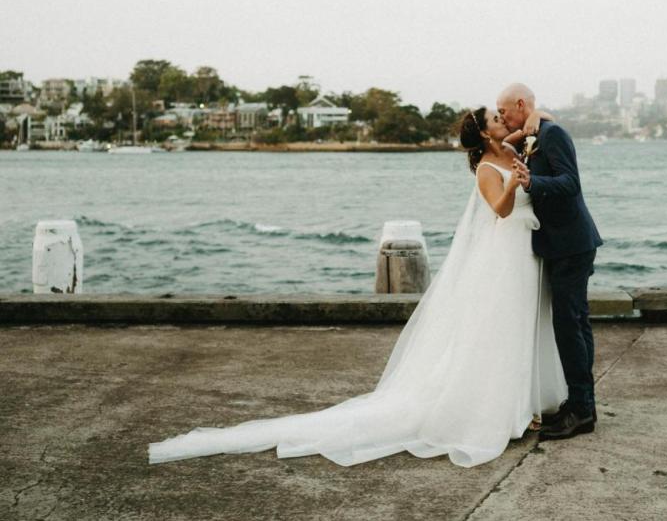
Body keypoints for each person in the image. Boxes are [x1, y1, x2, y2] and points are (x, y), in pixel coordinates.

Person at [149, 106, 567, 469]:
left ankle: (523, 402)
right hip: (502, 253)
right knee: (496, 329)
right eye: (495, 118)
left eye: (501, 116)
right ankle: (494, 408)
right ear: (482, 133)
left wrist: (538, 119)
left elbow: (527, 131)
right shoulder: (486, 170)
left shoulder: (509, 149)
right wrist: (514, 183)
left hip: (522, 254)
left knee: (518, 326)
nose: (501, 120)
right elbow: (501, 210)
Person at [497, 82, 603, 440]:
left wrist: (532, 183)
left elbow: (570, 183)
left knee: (568, 325)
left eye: (505, 110)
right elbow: (507, 142)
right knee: (575, 323)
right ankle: (580, 404)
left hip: (572, 244)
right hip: (561, 244)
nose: (502, 117)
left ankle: (583, 410)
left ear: (521, 104)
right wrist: (534, 121)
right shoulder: (537, 130)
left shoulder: (553, 134)